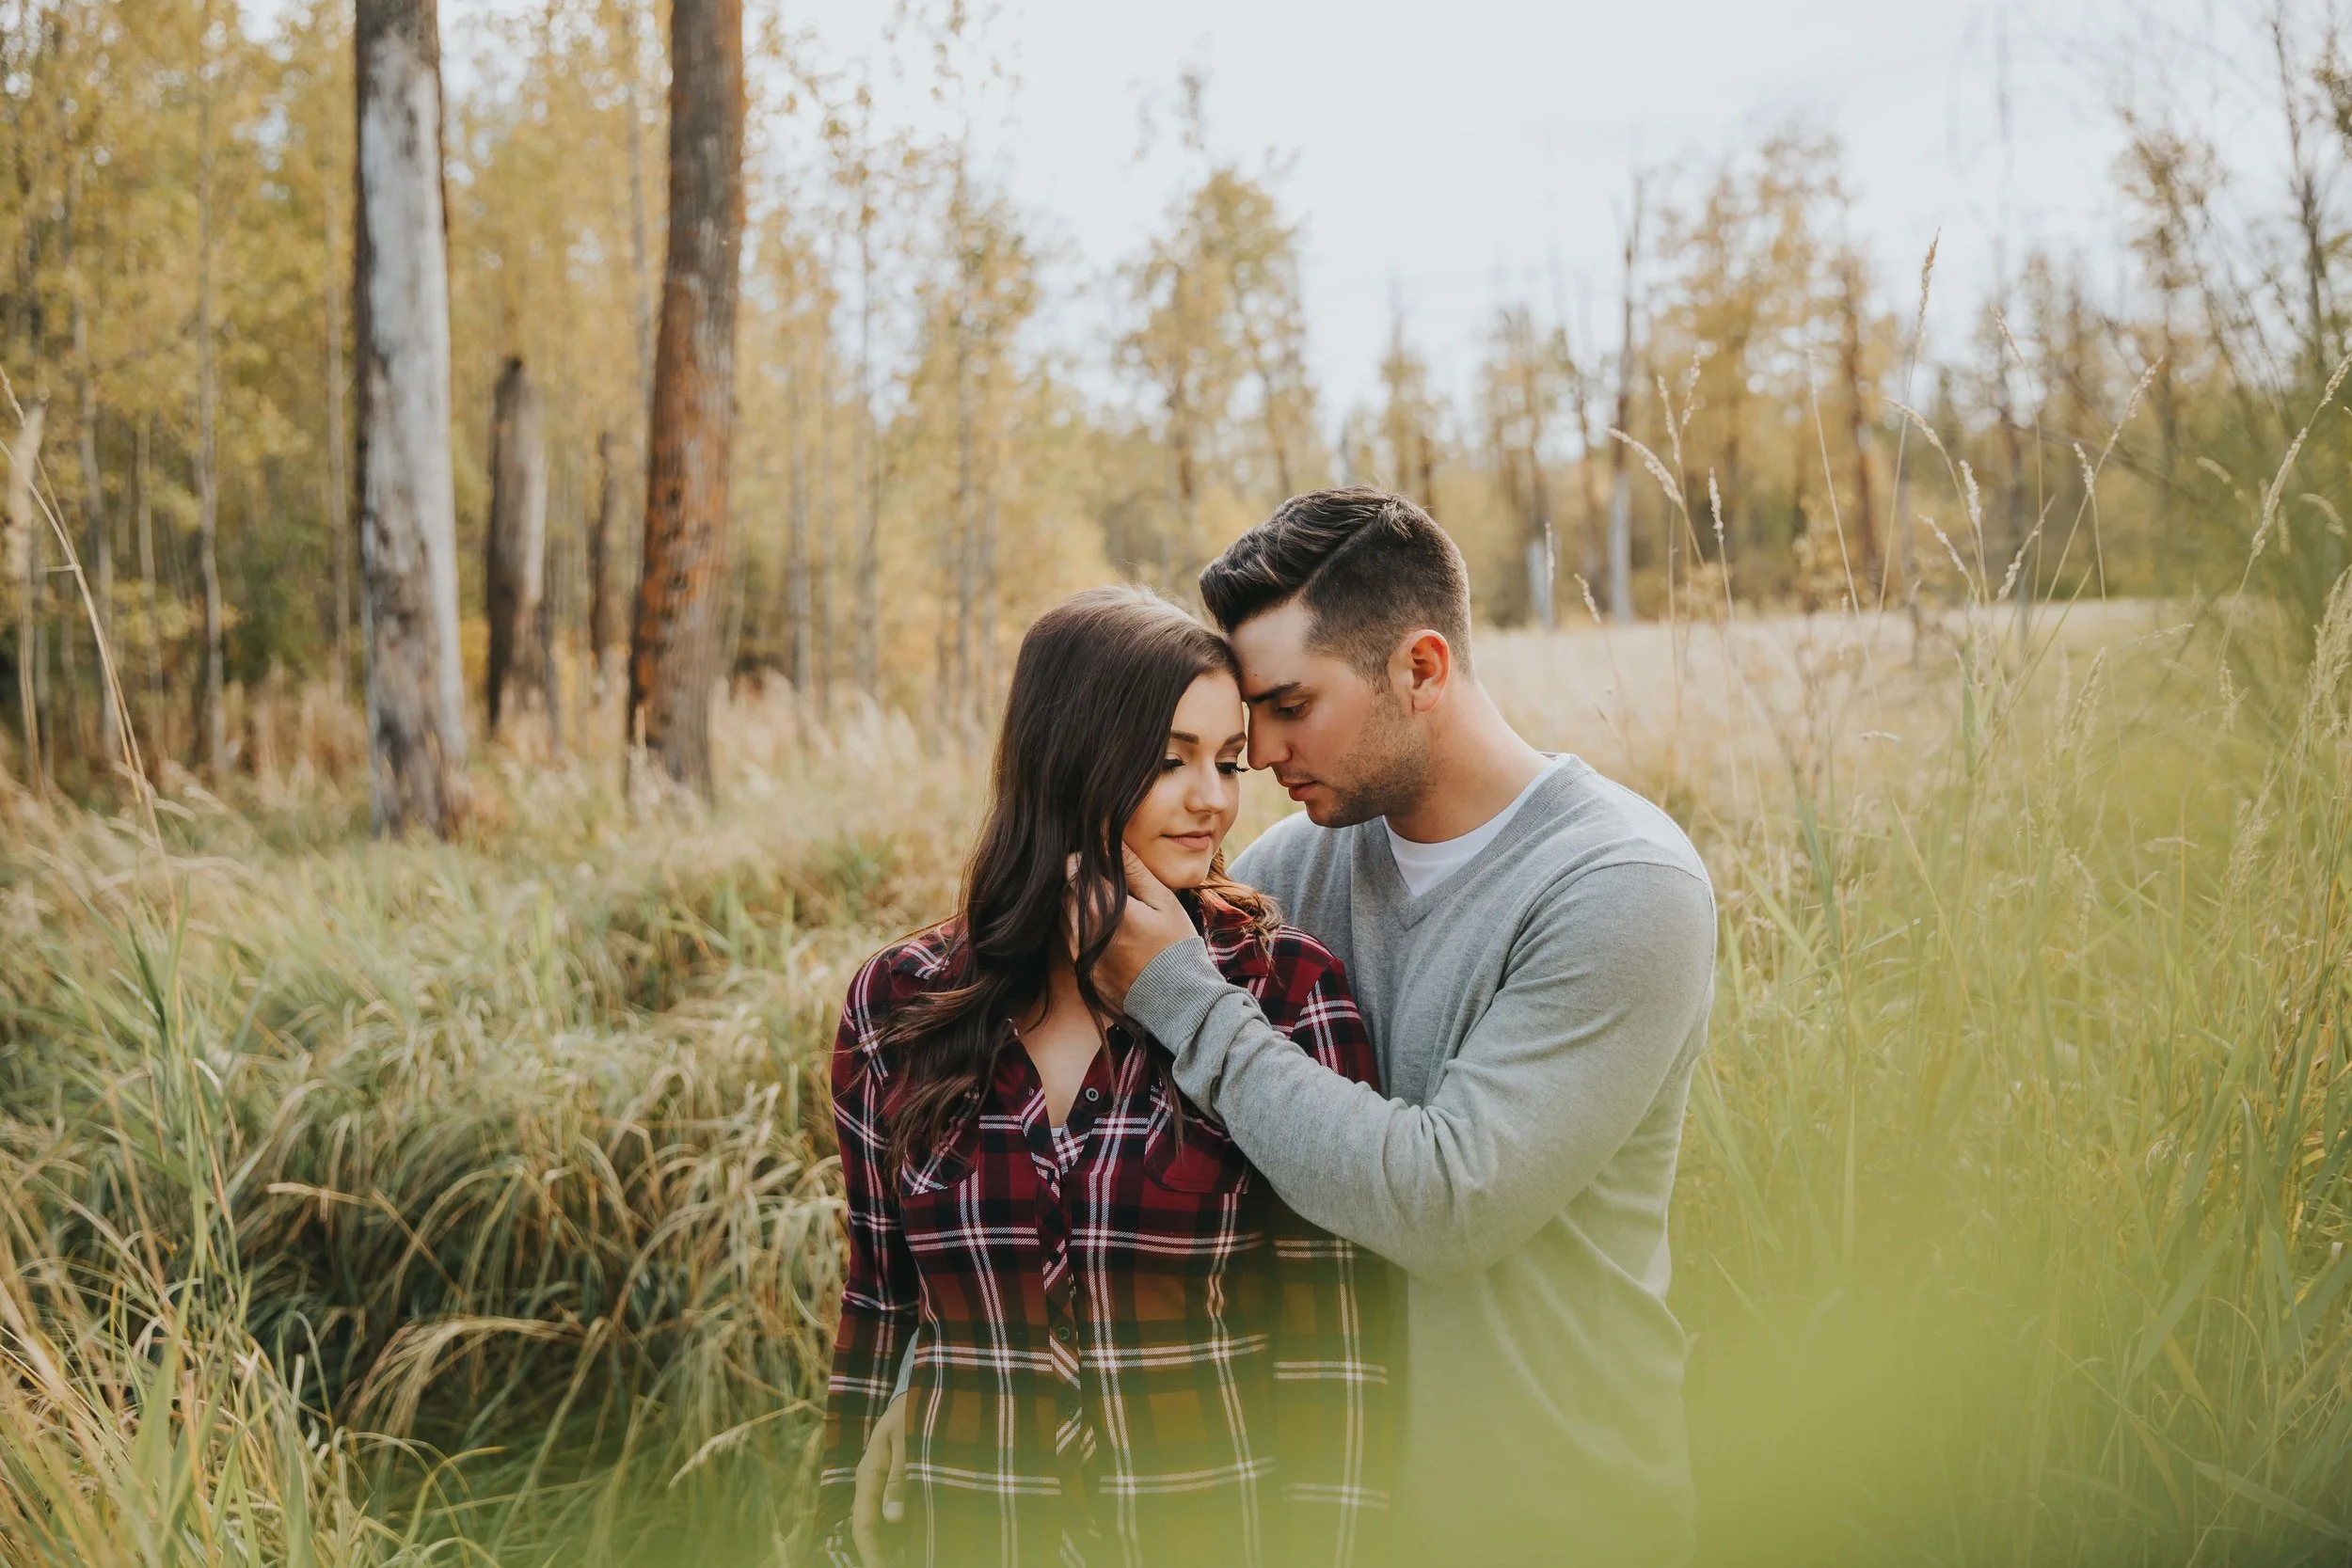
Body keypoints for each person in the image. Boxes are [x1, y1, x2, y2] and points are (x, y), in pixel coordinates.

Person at [1095, 489, 1718, 1564]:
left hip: (1556, 1512)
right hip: (1323, 1507)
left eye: (1291, 703)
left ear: (1421, 668)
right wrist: (938, 1369)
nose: (1262, 750)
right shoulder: (1292, 868)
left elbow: (1449, 1204)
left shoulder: (1621, 885)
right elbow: (1089, 1146)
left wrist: (1185, 993)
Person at [818, 585, 1391, 1568]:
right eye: (1169, 760)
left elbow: (1333, 1353)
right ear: (1068, 756)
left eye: (1225, 760)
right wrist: (835, 1520)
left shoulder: (1284, 987)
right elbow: (880, 1304)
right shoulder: (896, 1003)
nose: (1211, 797)